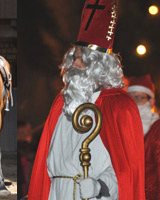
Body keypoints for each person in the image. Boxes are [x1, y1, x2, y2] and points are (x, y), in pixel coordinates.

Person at [28, 0, 145, 199]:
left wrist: (100, 186)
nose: (75, 65)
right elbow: (44, 163)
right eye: (74, 58)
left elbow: (126, 171)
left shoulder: (120, 107)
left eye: (81, 59)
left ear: (99, 66)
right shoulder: (62, 103)